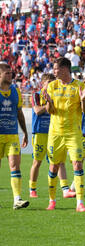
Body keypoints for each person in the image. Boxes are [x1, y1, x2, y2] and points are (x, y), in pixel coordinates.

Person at [43, 57, 85, 212]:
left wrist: (83, 100)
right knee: (54, 166)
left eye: (56, 68)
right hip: (55, 133)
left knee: (77, 164)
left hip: (73, 133)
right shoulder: (51, 86)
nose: (54, 71)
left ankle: (80, 202)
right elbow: (51, 111)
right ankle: (52, 200)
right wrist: (49, 102)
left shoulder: (79, 86)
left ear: (65, 69)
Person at [29, 73, 76, 198]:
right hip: (39, 132)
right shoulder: (36, 95)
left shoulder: (56, 95)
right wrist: (49, 104)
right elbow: (37, 111)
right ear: (43, 83)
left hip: (54, 132)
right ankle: (32, 188)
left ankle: (65, 189)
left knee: (59, 162)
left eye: (53, 82)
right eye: (49, 82)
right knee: (37, 162)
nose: (51, 85)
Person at [0, 63, 29, 209]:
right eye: (7, 73)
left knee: (15, 166)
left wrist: (24, 132)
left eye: (11, 73)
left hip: (12, 135)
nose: (10, 75)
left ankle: (17, 199)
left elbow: (19, 113)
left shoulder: (15, 91)